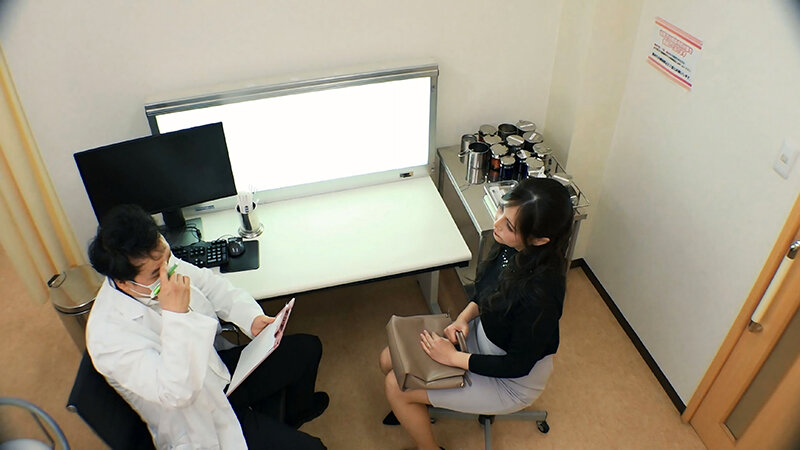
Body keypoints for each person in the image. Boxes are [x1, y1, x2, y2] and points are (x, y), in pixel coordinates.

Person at [85, 204, 328, 449]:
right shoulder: (107, 338)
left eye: (167, 258)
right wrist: (175, 316)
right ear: (123, 283)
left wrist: (251, 318)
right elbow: (176, 392)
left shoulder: (157, 261)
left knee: (308, 348)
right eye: (157, 273)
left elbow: (211, 286)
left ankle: (293, 417)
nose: (169, 272)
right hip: (197, 414)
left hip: (218, 369)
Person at [378, 177, 574, 450]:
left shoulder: (540, 295)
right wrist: (463, 318)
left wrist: (453, 358)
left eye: (509, 226)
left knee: (396, 387)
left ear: (539, 240)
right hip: (482, 339)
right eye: (502, 209)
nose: (497, 224)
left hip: (509, 380)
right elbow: (486, 291)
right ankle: (419, 404)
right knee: (388, 358)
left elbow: (516, 365)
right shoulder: (511, 246)